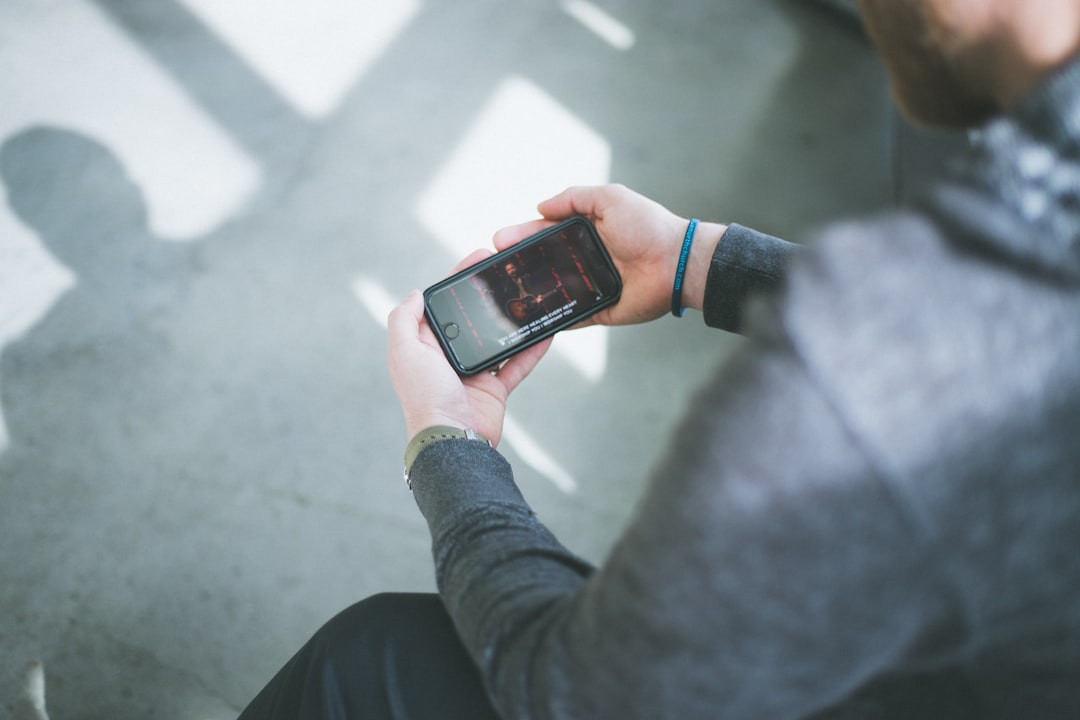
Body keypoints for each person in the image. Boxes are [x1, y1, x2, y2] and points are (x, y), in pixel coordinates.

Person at [238, 0, 1080, 717]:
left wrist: (448, 446)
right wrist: (694, 260)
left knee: (368, 657)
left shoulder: (862, 371)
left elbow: (575, 694)